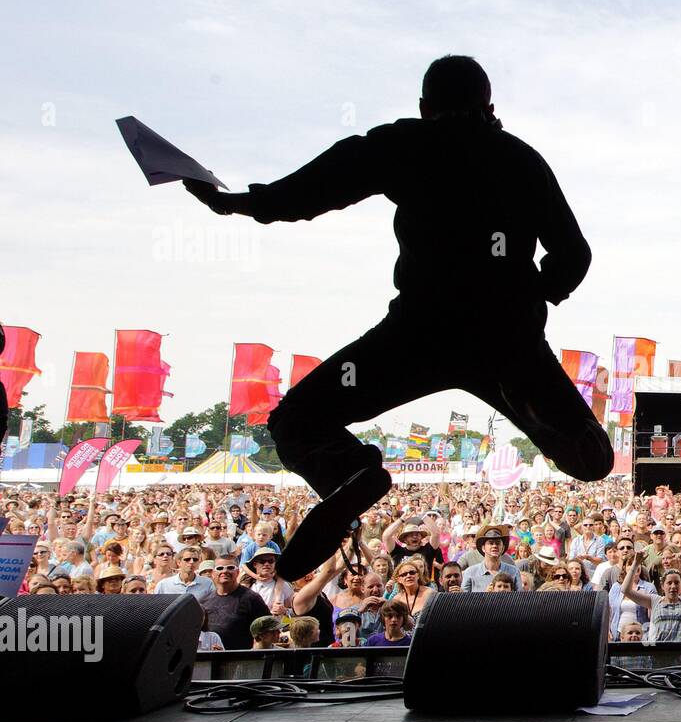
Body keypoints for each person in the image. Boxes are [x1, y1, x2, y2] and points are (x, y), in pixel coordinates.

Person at [185, 54, 615, 580]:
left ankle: (350, 472)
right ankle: (552, 424)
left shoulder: (405, 144)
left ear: (424, 106)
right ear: (491, 108)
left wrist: (238, 203)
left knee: (295, 421)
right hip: (507, 340)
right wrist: (534, 297)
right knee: (592, 460)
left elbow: (312, 191)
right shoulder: (519, 158)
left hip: (418, 333)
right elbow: (573, 254)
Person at [199, 559, 272, 651]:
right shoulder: (204, 601)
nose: (225, 571)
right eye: (220, 568)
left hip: (241, 660)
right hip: (210, 659)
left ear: (237, 572)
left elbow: (268, 629)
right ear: (213, 573)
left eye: (230, 568)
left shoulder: (252, 598)